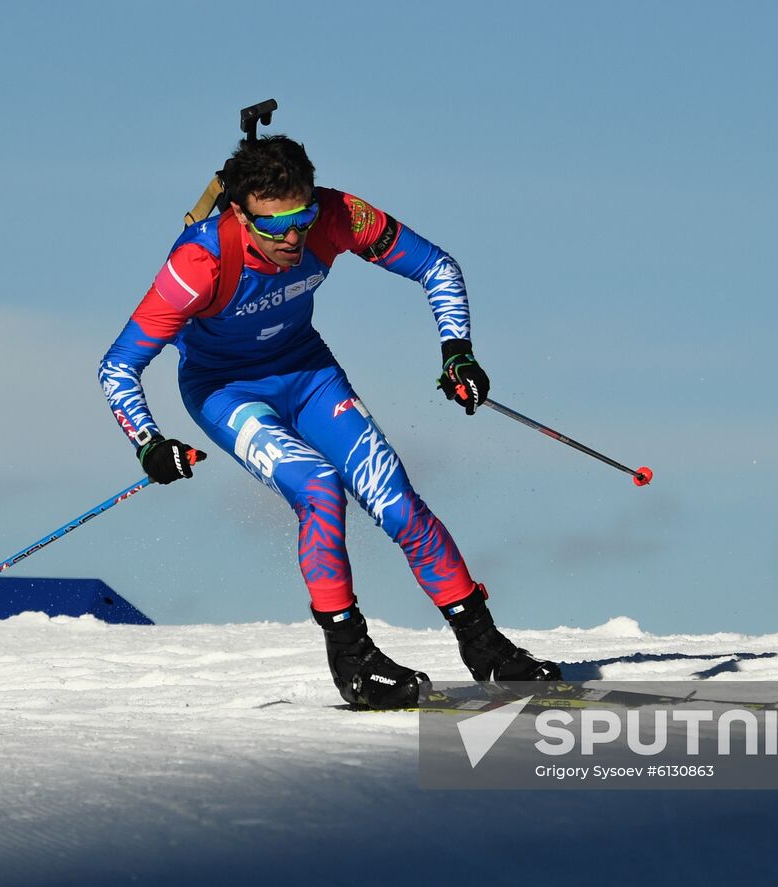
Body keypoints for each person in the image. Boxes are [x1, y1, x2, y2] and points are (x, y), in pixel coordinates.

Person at [99, 135, 559, 708]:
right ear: (239, 212)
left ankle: (486, 648)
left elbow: (437, 267)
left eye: (303, 217)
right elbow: (118, 367)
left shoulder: (340, 215)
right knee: (318, 487)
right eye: (273, 226)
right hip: (224, 389)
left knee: (394, 497)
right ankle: (352, 659)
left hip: (306, 371)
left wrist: (456, 351)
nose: (293, 237)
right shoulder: (201, 259)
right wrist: (150, 443)